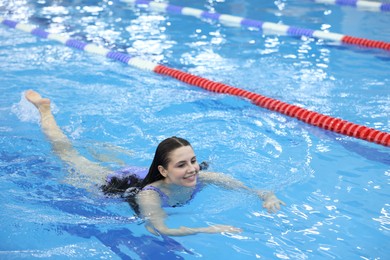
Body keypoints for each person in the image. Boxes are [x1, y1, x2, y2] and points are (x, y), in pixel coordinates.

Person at [25, 89, 286, 236]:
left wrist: (267, 196)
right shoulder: (151, 197)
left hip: (136, 172)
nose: (193, 169)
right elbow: (159, 228)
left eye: (193, 161)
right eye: (181, 165)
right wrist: (211, 229)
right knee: (67, 154)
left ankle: (99, 148)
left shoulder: (201, 177)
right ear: (163, 170)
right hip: (115, 184)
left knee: (104, 155)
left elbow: (244, 187)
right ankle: (45, 110)